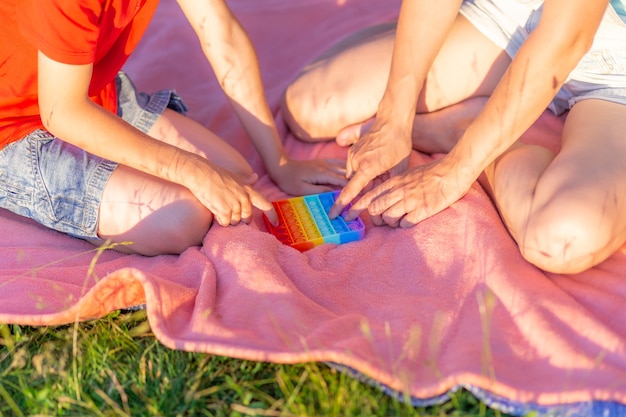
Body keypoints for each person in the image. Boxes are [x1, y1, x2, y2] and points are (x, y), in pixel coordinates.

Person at [281, 0, 626, 274]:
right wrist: (394, 116)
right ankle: (472, 124)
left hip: (615, 65)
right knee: (309, 109)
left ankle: (471, 133)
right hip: (516, 15)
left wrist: (458, 168)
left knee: (559, 240)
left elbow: (565, 39)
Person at [0, 0, 347, 256]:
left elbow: (221, 36)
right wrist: (188, 169)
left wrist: (279, 162)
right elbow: (63, 111)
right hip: (13, 127)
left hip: (88, 90)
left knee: (235, 175)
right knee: (184, 218)